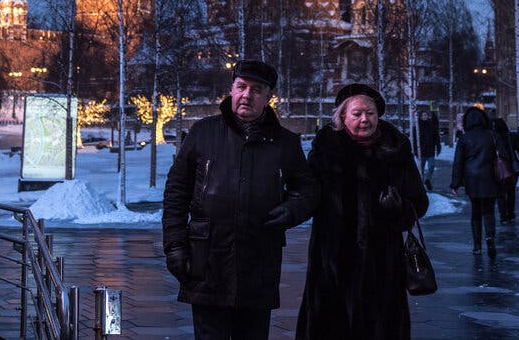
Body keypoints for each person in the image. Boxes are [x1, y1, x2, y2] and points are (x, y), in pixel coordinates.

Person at [162, 60, 318, 340]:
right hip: (207, 261)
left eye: (257, 90)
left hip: (258, 262)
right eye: (241, 86)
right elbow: (176, 192)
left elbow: (307, 191)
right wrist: (175, 246)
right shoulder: (203, 132)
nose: (247, 94)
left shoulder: (285, 142)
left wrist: (291, 210)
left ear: (268, 97)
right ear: (231, 89)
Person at [297, 84, 428, 339]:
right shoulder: (326, 152)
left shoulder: (396, 151)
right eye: (357, 113)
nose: (364, 119)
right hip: (332, 262)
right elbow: (305, 194)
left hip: (383, 264)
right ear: (342, 117)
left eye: (370, 113)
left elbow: (419, 202)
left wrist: (400, 207)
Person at [450, 107, 503, 257]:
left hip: (472, 179)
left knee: (475, 212)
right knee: (489, 211)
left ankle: (477, 246)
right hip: (490, 178)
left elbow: (458, 163)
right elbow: (502, 155)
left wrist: (455, 184)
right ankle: (490, 237)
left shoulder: (464, 138)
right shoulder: (492, 135)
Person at [492, 116, 518, 224]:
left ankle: (503, 216)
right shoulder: (510, 137)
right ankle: (511, 213)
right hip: (511, 168)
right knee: (511, 191)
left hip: (497, 168)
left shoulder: (492, 138)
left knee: (500, 193)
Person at [417, 109, 441, 190]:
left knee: (432, 165)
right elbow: (414, 138)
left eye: (425, 115)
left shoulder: (431, 125)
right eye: (423, 115)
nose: (424, 117)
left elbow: (436, 137)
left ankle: (427, 180)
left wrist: (438, 147)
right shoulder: (417, 126)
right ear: (420, 117)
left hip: (430, 150)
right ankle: (421, 184)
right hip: (421, 151)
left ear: (427, 116)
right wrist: (415, 150)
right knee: (421, 169)